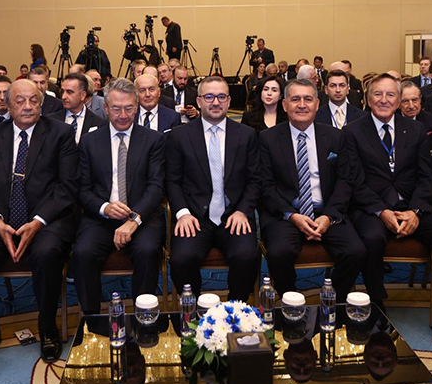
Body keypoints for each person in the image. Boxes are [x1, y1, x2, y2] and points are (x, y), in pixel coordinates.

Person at [341, 75, 432, 357]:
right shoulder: (352, 131)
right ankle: (378, 306)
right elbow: (353, 180)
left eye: (390, 95)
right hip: (372, 207)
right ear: (367, 99)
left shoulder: (416, 129)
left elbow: (426, 176)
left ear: (399, 101)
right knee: (371, 239)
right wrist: (381, 210)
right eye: (377, 94)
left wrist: (416, 211)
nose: (384, 100)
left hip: (412, 206)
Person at [0, 79, 79, 369]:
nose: (27, 107)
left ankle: (47, 326)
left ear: (41, 104)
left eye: (33, 101)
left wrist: (38, 222)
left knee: (48, 253)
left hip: (45, 219)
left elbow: (67, 188)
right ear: (7, 105)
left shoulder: (61, 134)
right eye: (20, 101)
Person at [259, 79, 365, 304]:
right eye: (295, 99)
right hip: (286, 214)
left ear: (317, 104)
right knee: (278, 254)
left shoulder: (336, 137)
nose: (302, 105)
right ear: (285, 105)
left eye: (308, 99)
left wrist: (329, 216)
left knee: (356, 251)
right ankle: (291, 304)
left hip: (327, 212)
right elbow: (265, 186)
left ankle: (333, 301)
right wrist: (292, 216)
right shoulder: (267, 139)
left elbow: (345, 182)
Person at [73, 79, 165, 314]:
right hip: (101, 218)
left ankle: (143, 318)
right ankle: (92, 320)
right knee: (83, 252)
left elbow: (156, 187)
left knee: (147, 251)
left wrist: (134, 219)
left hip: (142, 217)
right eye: (116, 108)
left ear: (137, 107)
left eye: (128, 108)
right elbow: (82, 189)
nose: (123, 115)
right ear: (105, 108)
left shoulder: (153, 140)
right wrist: (104, 207)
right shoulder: (89, 142)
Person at [168, 76, 260, 300]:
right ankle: (193, 310)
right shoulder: (180, 135)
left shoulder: (246, 135)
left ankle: (236, 308)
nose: (215, 102)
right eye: (209, 97)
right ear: (199, 101)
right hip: (195, 217)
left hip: (233, 215)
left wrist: (243, 211)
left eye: (221, 97)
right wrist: (182, 213)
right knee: (181, 259)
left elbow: (255, 180)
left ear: (229, 101)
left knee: (247, 256)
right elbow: (172, 181)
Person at [50, 72, 105, 143]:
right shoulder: (51, 121)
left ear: (83, 95)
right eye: (62, 91)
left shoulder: (99, 123)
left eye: (69, 92)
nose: (63, 97)